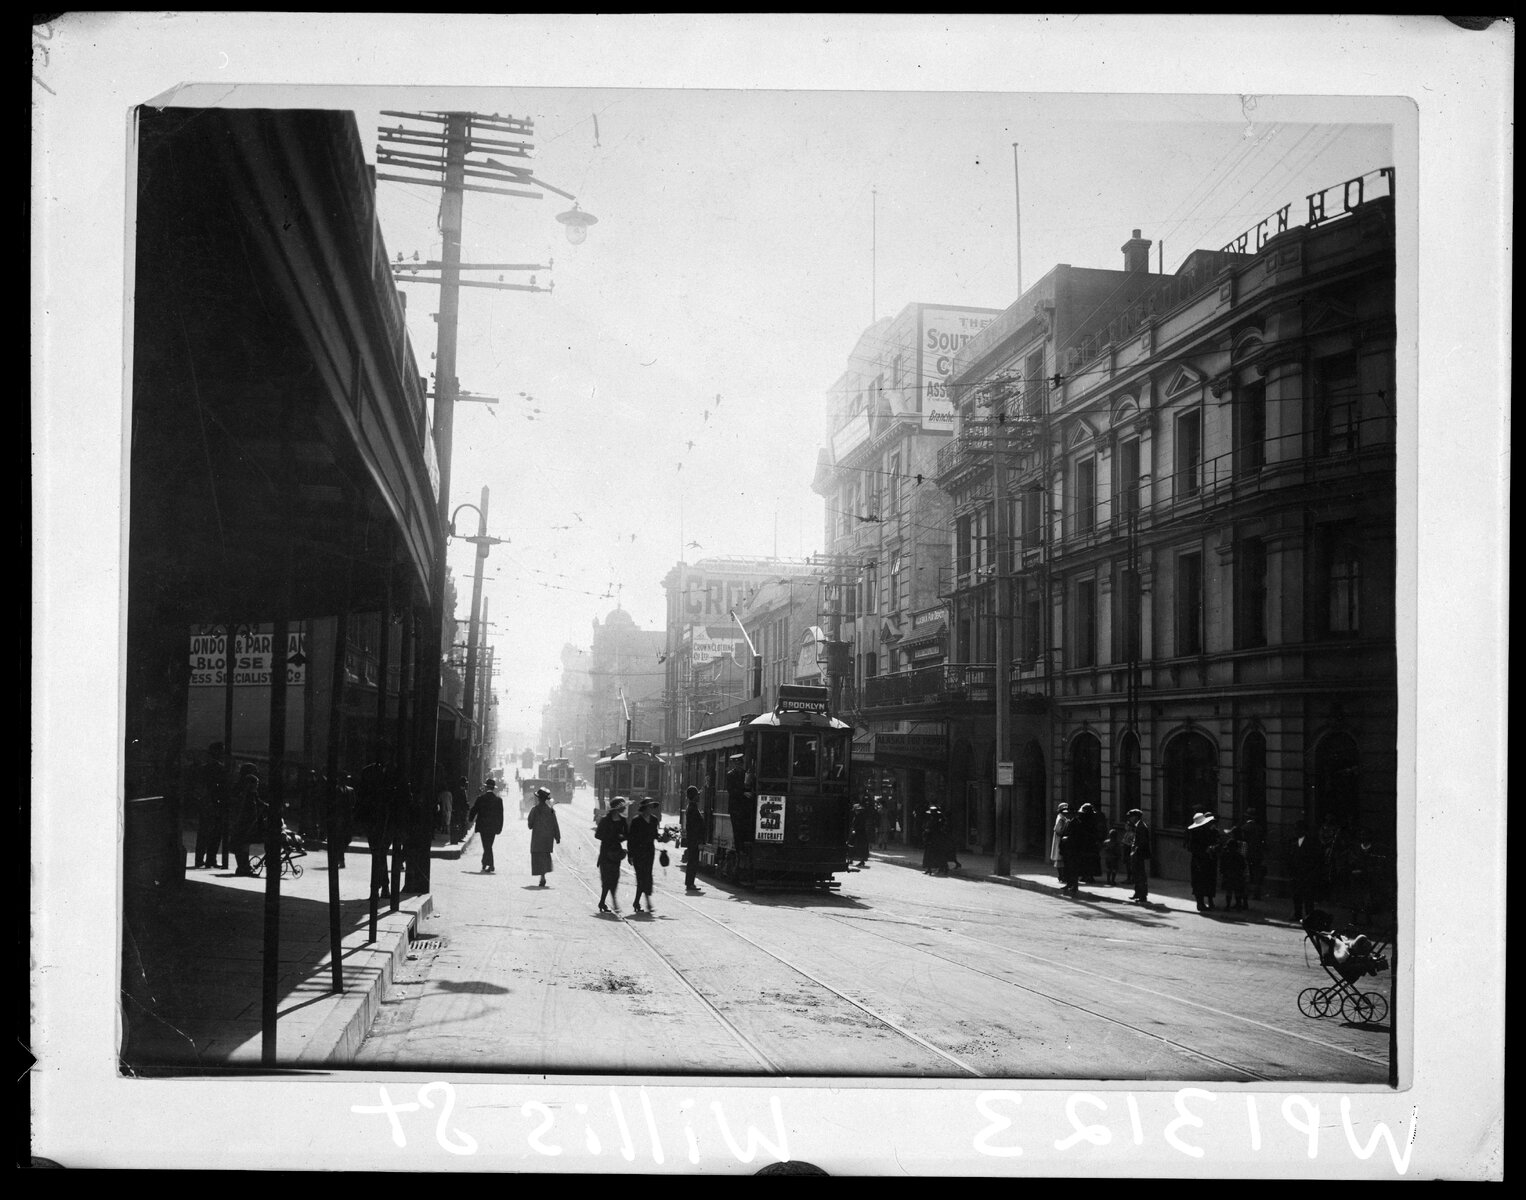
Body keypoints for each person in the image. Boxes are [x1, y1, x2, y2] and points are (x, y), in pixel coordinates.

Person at [193, 741, 228, 869]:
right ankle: (210, 859)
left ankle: (199, 858)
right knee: (215, 833)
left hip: (206, 803)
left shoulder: (204, 768)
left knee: (203, 832)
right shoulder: (221, 769)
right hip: (216, 803)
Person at [228, 763, 265, 877]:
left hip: (247, 822)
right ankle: (242, 867)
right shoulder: (244, 790)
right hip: (243, 822)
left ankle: (244, 866)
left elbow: (257, 801)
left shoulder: (248, 789)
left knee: (244, 844)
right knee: (242, 844)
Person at [628, 797, 665, 912]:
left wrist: (664, 837)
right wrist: (630, 855)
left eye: (651, 807)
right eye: (649, 807)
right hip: (638, 852)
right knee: (641, 878)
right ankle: (645, 902)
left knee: (647, 876)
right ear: (644, 808)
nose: (650, 809)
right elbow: (631, 839)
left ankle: (637, 902)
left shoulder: (654, 820)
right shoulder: (636, 821)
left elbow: (656, 835)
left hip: (649, 852)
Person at [596, 796, 629, 911]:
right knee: (606, 879)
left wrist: (621, 838)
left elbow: (627, 835)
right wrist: (613, 836)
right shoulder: (605, 820)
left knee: (614, 877)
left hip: (616, 853)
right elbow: (598, 835)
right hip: (606, 852)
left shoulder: (623, 820)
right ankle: (607, 901)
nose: (624, 809)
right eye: (622, 806)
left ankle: (603, 902)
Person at [1289, 819, 1325, 922]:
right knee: (1296, 896)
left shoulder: (1312, 843)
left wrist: (1312, 873)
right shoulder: (1293, 841)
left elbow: (1317, 859)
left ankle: (1309, 917)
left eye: (1298, 829)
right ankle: (1298, 915)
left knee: (1308, 898)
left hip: (1308, 874)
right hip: (1296, 874)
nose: (1296, 831)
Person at [467, 778, 504, 874]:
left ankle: (491, 865)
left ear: (486, 787)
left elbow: (474, 809)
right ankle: (485, 862)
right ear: (494, 788)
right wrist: (499, 827)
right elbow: (500, 816)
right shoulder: (498, 800)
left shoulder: (481, 798)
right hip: (493, 827)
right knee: (488, 845)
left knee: (486, 845)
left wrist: (470, 819)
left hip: (483, 826)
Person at [526, 785, 561, 887]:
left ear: (538, 798)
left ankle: (542, 877)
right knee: (545, 858)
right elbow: (555, 824)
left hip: (537, 839)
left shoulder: (534, 810)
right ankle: (543, 876)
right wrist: (557, 837)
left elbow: (530, 825)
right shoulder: (550, 810)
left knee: (538, 858)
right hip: (547, 840)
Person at [1186, 810, 1220, 912]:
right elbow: (1191, 847)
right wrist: (1205, 850)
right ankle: (1200, 903)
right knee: (1199, 882)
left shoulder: (1211, 832)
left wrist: (1213, 848)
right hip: (1199, 861)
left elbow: (1216, 841)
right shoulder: (1195, 833)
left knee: (1208, 881)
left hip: (1208, 860)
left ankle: (1209, 901)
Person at [1219, 824, 1249, 912]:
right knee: (1240, 888)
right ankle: (1241, 904)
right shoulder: (1243, 844)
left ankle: (1234, 905)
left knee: (1232, 889)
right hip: (1239, 870)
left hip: (1233, 870)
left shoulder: (1231, 845)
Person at [1125, 808, 1152, 903]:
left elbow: (1142, 842)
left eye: (1131, 817)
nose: (1130, 819)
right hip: (1137, 853)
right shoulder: (1138, 826)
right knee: (1136, 874)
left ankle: (1142, 895)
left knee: (1140, 875)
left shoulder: (1141, 827)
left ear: (1135, 817)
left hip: (1139, 854)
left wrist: (1135, 851)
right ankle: (1138, 893)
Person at [1241, 808, 1268, 900]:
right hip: (1257, 854)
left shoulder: (1244, 828)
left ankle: (1246, 894)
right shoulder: (1259, 828)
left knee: (1247, 874)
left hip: (1247, 854)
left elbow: (1244, 842)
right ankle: (1256, 894)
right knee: (1257, 874)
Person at [682, 786, 705, 892]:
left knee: (693, 861)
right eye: (697, 795)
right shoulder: (692, 809)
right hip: (694, 840)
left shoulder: (692, 807)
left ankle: (690, 882)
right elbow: (695, 827)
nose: (699, 797)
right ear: (694, 796)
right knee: (693, 862)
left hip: (692, 840)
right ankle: (690, 883)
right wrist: (699, 841)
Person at [1050, 802, 1070, 882]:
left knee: (1062, 860)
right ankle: (1061, 876)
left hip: (1062, 841)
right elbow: (1058, 830)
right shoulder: (1060, 818)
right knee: (1059, 859)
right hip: (1060, 841)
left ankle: (1063, 876)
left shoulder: (1063, 818)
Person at [850, 802, 872, 868]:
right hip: (858, 834)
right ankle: (852, 859)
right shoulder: (856, 816)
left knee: (860, 847)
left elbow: (860, 826)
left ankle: (861, 861)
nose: (856, 811)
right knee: (855, 847)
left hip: (860, 834)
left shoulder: (860, 817)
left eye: (857, 810)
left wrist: (855, 830)